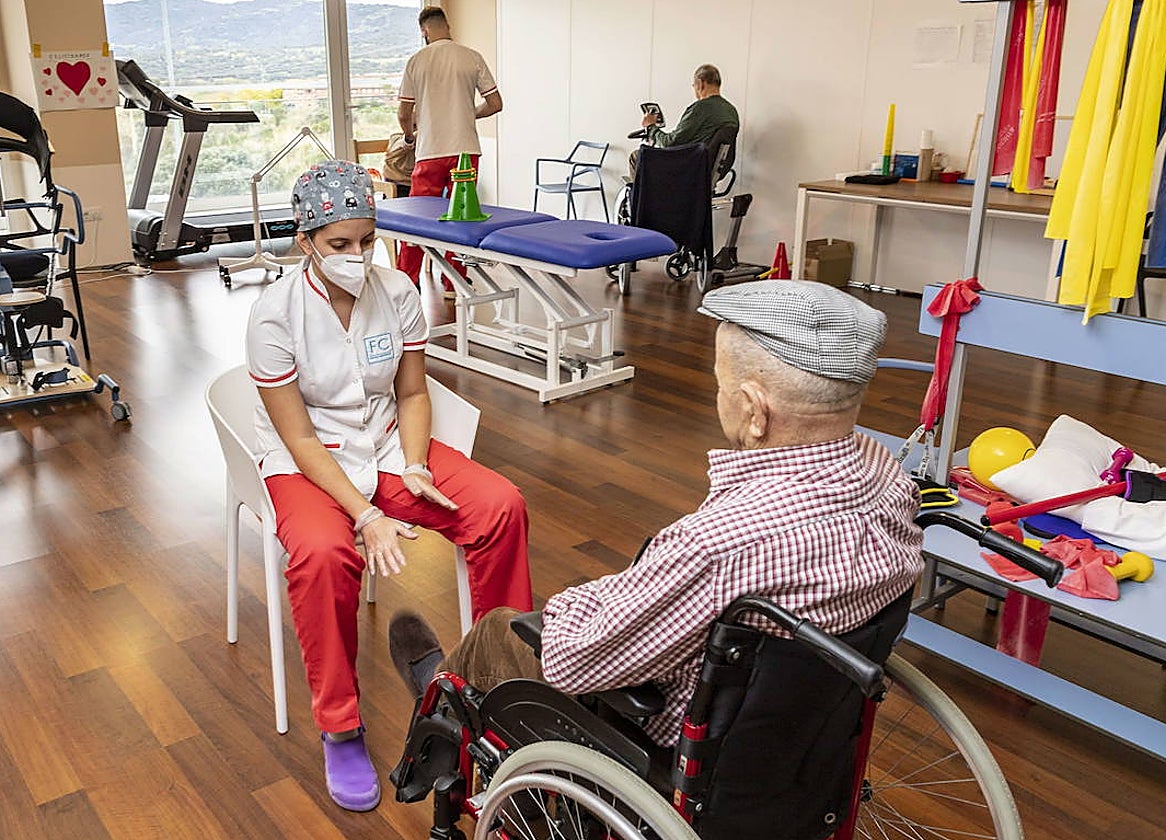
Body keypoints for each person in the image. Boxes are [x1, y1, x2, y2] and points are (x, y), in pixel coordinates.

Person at [389, 280, 924, 748]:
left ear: (755, 411)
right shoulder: (893, 483)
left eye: (720, 386)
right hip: (801, 730)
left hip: (672, 732)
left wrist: (576, 605)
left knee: (500, 631)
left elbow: (579, 659)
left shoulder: (722, 545)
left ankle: (439, 704)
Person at [245, 160, 532, 811]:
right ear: (305, 239)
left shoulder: (397, 290)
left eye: (365, 241)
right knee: (323, 555)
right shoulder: (273, 316)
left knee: (499, 506)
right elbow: (297, 439)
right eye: (339, 244)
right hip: (308, 466)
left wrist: (417, 465)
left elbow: (410, 390)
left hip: (386, 450)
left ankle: (500, 681)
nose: (356, 256)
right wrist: (363, 515)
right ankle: (341, 727)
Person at [396, 6, 503, 295]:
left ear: (424, 30)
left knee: (417, 220)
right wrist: (468, 115)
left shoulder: (417, 61)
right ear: (448, 26)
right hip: (467, 150)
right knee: (460, 217)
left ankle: (408, 280)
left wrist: (408, 138)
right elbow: (495, 104)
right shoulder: (472, 57)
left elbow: (405, 113)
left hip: (431, 150)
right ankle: (454, 281)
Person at [629, 63, 740, 180]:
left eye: (694, 86)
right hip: (704, 171)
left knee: (636, 156)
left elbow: (670, 143)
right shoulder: (732, 111)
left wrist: (651, 127)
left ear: (700, 84)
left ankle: (642, 198)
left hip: (687, 168)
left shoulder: (700, 108)